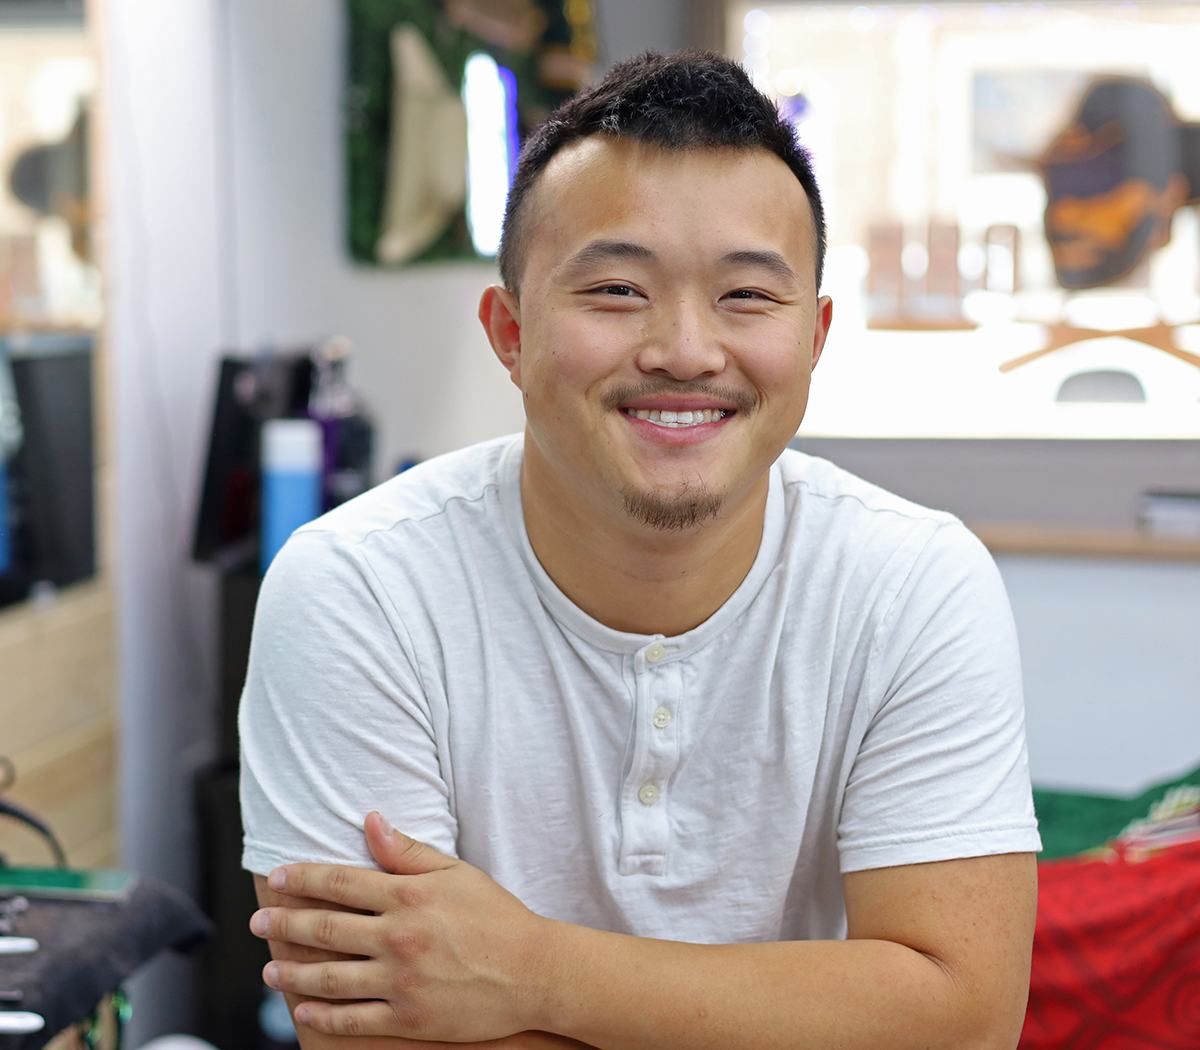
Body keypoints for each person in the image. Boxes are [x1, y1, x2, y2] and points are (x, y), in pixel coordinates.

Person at [241, 50, 1041, 1050]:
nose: (686, 350)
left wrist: (534, 974)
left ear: (816, 337)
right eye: (617, 290)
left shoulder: (912, 585)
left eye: (747, 296)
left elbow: (963, 1024)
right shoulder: (358, 590)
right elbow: (372, 1037)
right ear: (510, 331)